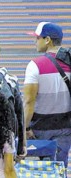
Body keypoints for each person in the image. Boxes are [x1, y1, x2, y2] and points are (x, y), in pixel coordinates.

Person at [23, 22, 71, 167]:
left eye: (37, 38)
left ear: (47, 40)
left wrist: (24, 128)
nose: (35, 42)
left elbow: (29, 101)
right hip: (65, 128)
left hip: (39, 129)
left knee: (37, 170)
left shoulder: (35, 65)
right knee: (59, 167)